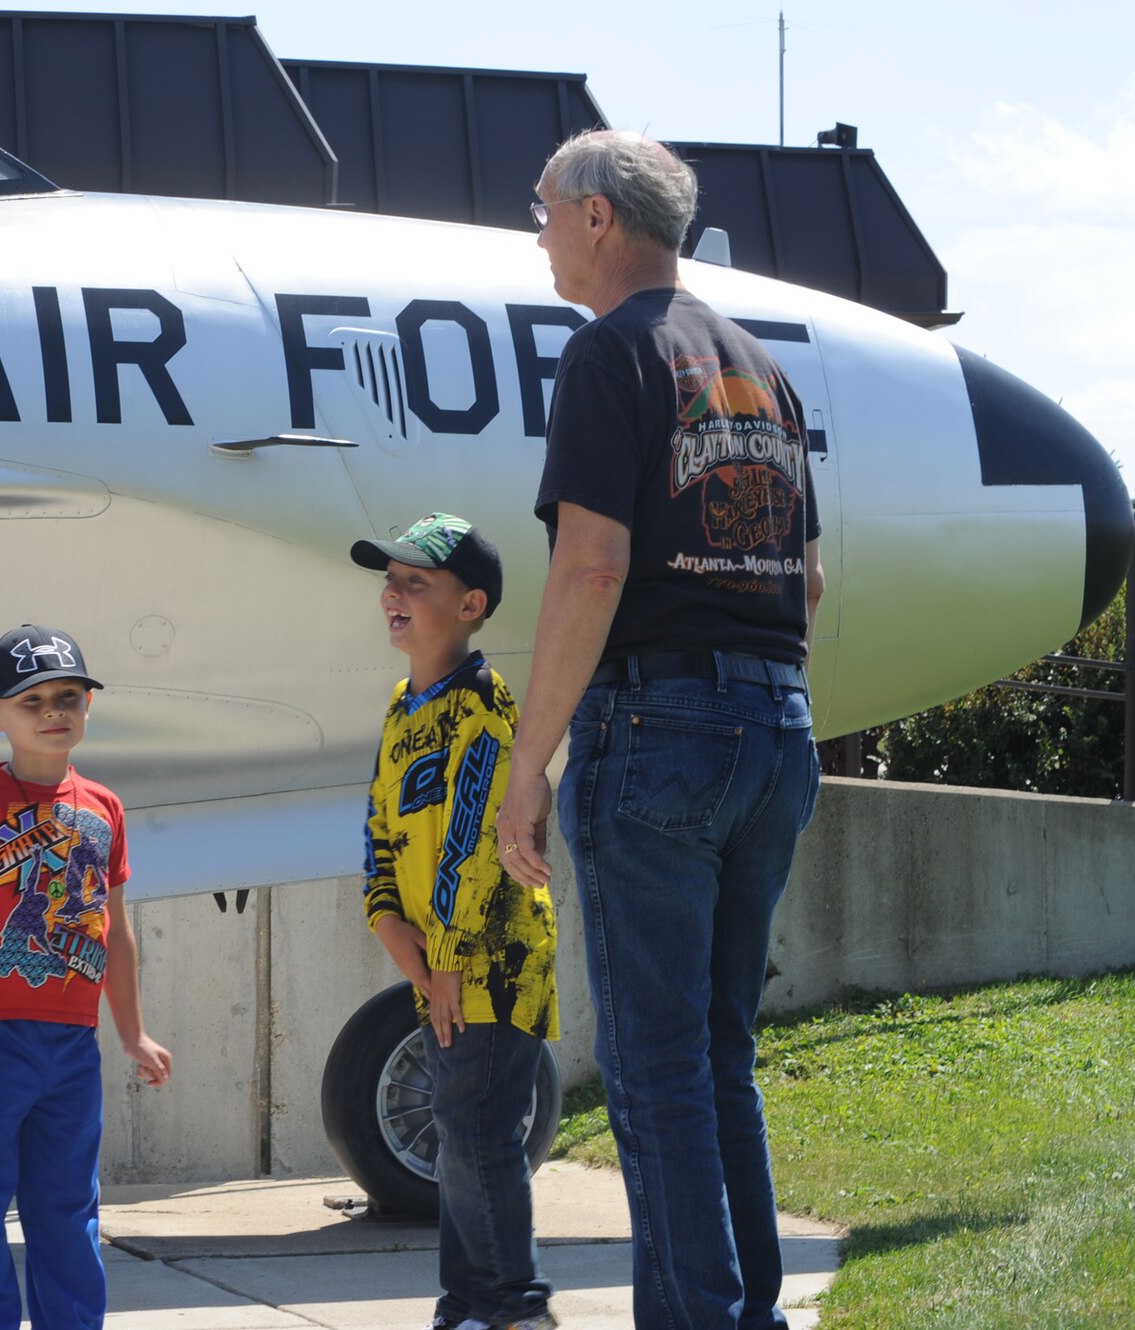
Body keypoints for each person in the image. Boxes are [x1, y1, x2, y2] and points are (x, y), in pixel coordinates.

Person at [493, 129, 825, 1330]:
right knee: (715, 1057)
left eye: (538, 208)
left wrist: (524, 767)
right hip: (774, 723)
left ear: (593, 215)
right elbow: (810, 577)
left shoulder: (607, 354)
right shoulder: (758, 369)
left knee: (651, 1070)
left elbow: (588, 569)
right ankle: (746, 1314)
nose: (532, 231)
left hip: (657, 728)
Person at [0, 623, 172, 1330]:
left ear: (89, 706)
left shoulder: (104, 807)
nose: (53, 712)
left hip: (71, 1047)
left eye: (68, 696)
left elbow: (114, 929)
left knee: (67, 1206)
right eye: (31, 701)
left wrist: (133, 1032)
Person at [352, 512, 560, 1330]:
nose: (393, 595)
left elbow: (476, 842)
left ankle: (513, 1306)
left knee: (475, 1127)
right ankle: (466, 1306)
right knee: (459, 1132)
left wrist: (442, 958)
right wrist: (385, 923)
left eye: (416, 582)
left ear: (471, 604)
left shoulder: (486, 704)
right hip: (435, 959)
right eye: (390, 581)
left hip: (492, 957)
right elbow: (379, 827)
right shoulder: (404, 706)